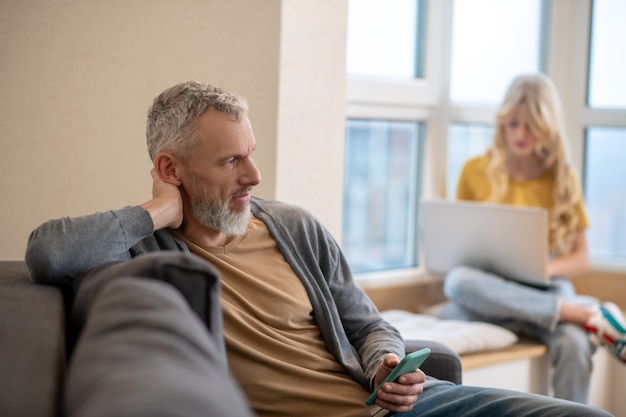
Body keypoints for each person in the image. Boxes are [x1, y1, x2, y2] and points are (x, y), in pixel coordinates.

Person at [25, 80, 615, 417]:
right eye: (232, 160)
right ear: (169, 169)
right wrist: (155, 210)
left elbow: (368, 322)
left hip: (405, 407)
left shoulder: (293, 227)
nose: (254, 175)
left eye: (252, 153)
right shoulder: (145, 250)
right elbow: (47, 253)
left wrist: (384, 361)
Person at [436, 73, 626, 404]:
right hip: (493, 289)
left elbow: (581, 257)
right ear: (502, 124)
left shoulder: (561, 178)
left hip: (543, 286)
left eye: (531, 125)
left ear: (547, 126)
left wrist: (543, 268)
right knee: (457, 281)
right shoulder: (474, 170)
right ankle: (580, 313)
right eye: (513, 124)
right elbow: (461, 246)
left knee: (574, 344)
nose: (521, 134)